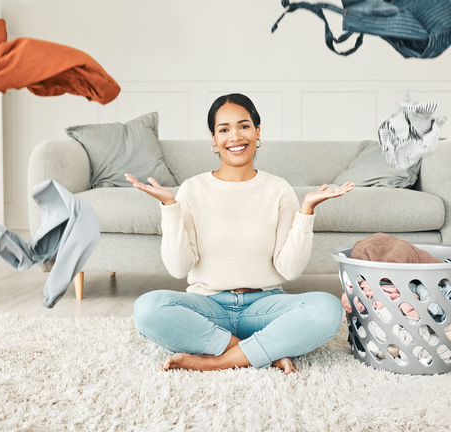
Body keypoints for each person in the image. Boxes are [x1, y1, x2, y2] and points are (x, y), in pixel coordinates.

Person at [126, 93, 355, 374]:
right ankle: (262, 352)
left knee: (327, 309)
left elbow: (290, 269)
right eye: (224, 129)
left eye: (244, 126)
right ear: (213, 140)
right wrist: (169, 206)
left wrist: (306, 211)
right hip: (209, 306)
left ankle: (218, 360)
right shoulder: (192, 189)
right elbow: (178, 268)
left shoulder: (279, 189)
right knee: (148, 308)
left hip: (265, 307)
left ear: (258, 132)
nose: (235, 136)